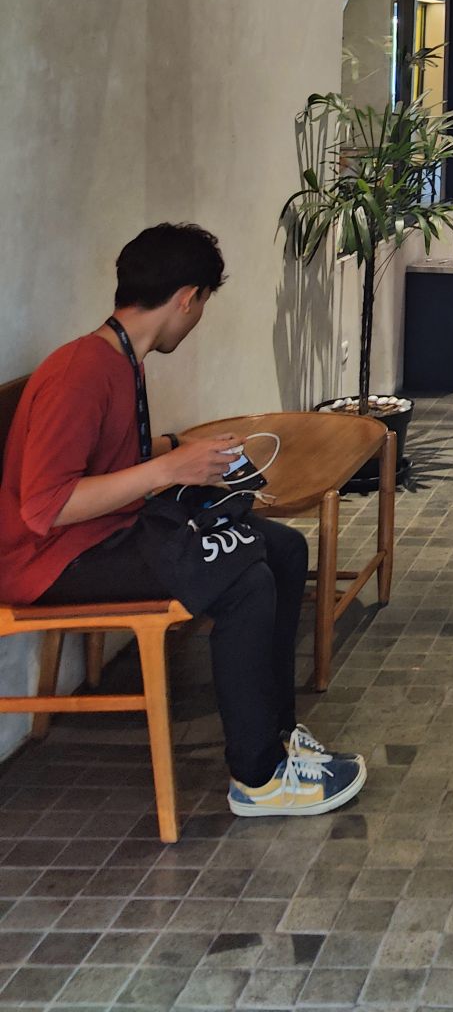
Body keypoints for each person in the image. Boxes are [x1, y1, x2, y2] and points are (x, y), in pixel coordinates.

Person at [0, 223, 366, 819]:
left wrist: (183, 453)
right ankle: (256, 779)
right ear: (188, 298)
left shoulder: (120, 360)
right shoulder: (81, 371)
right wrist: (170, 467)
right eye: (203, 305)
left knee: (282, 550)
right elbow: (47, 506)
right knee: (244, 580)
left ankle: (276, 737)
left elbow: (107, 461)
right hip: (53, 560)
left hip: (108, 532)